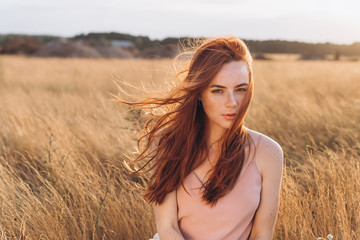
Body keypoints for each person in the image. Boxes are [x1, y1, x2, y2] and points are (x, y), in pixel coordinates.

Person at [118, 35, 283, 240]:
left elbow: (262, 234)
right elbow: (167, 228)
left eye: (240, 89)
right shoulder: (168, 144)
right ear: (198, 93)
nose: (232, 102)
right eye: (218, 90)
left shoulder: (268, 153)